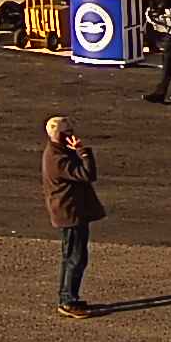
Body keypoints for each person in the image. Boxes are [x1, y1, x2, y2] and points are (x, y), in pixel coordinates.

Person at [44, 118, 104, 316]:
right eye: (69, 132)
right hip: (70, 213)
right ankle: (68, 300)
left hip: (71, 212)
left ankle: (68, 296)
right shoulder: (58, 158)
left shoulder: (58, 152)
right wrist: (83, 152)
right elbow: (88, 174)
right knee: (75, 258)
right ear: (61, 135)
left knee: (71, 256)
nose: (73, 135)